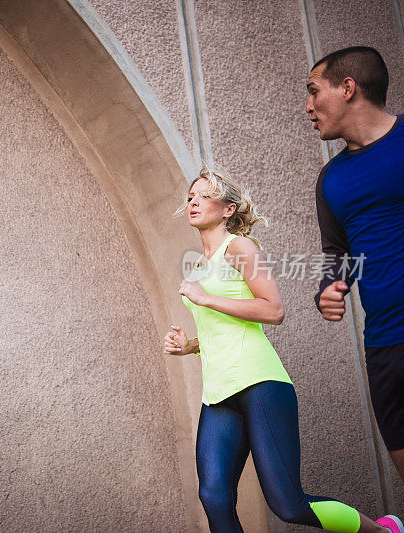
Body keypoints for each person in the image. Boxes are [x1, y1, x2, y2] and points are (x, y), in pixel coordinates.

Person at [163, 169, 400, 533]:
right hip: (218, 392)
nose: (193, 201)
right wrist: (188, 346)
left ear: (227, 209)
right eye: (191, 196)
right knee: (213, 496)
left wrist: (206, 297)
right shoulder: (197, 266)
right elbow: (220, 331)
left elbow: (273, 310)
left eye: (204, 195)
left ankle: (383, 531)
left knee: (288, 504)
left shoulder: (240, 248)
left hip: (260, 384)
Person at [306, 46, 404, 487]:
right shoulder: (331, 180)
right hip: (384, 346)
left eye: (313, 91)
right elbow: (337, 254)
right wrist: (328, 287)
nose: (308, 107)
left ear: (348, 88)